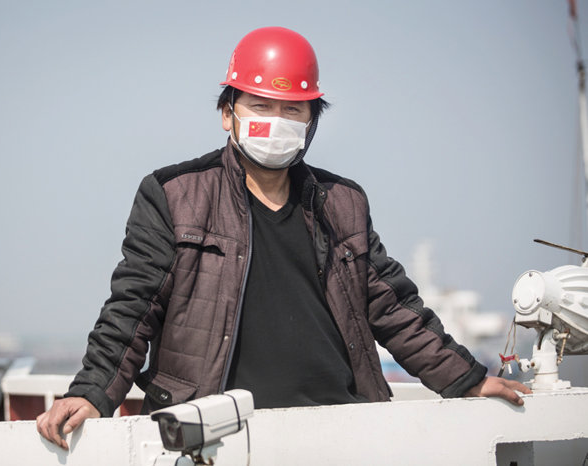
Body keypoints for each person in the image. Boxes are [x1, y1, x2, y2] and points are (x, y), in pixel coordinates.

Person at [37, 26, 530, 450]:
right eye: (260, 105)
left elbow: (393, 308)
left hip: (340, 429)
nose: (277, 121)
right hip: (219, 435)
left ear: (312, 121)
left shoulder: (343, 202)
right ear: (227, 113)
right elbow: (133, 308)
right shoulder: (174, 195)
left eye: (293, 109)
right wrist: (92, 391)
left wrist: (466, 379)